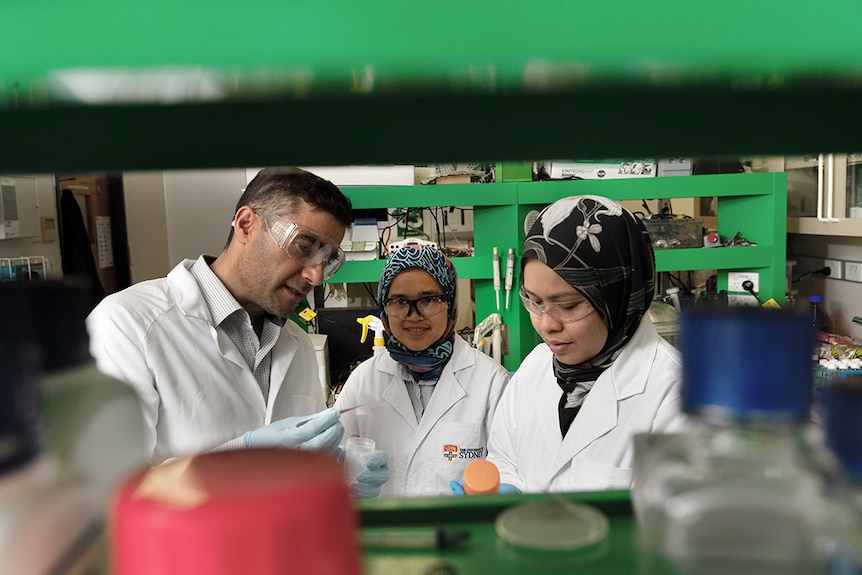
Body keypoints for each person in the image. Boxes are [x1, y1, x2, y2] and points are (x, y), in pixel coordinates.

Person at [86, 167, 389, 496]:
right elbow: (111, 491)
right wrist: (243, 455)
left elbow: (291, 479)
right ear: (246, 224)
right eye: (304, 247)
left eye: (328, 259)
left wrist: (332, 481)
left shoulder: (299, 346)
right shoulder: (128, 324)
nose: (316, 276)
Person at [456, 194, 684, 494]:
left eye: (568, 305)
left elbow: (673, 521)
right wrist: (503, 492)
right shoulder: (535, 367)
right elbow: (505, 460)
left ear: (617, 296)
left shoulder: (675, 391)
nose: (547, 324)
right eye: (534, 302)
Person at [335, 246, 510, 497]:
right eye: (399, 302)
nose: (413, 316)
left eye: (428, 300)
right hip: (382, 533)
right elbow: (332, 465)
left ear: (450, 304)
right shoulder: (364, 381)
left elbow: (508, 469)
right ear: (384, 308)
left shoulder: (491, 381)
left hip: (459, 533)